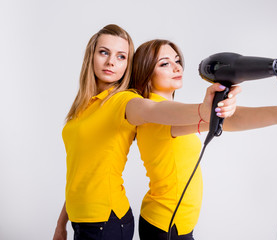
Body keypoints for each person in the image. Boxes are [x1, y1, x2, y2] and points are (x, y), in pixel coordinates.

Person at [53, 25, 239, 240]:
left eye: (121, 56)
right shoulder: (83, 108)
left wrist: (204, 110)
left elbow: (153, 109)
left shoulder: (124, 101)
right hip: (80, 221)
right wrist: (61, 224)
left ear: (127, 66)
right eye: (104, 52)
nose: (111, 61)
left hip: (106, 221)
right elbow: (79, 173)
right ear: (91, 56)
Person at [128, 39, 277, 240]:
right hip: (166, 225)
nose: (177, 67)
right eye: (164, 63)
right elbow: (172, 112)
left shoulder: (174, 113)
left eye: (177, 60)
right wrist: (206, 110)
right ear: (146, 72)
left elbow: (224, 121)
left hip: (176, 222)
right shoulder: (154, 113)